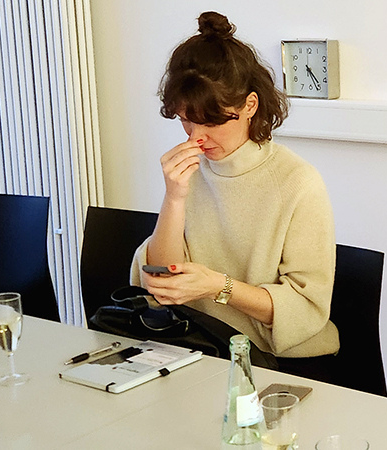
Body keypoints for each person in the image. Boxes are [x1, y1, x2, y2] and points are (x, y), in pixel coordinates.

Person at [130, 11, 338, 379]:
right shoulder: (189, 172)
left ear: (249, 107)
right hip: (200, 349)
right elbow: (162, 281)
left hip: (284, 365)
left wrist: (218, 286)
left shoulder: (297, 182)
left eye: (211, 121)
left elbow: (306, 307)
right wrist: (174, 198)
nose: (196, 136)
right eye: (185, 120)